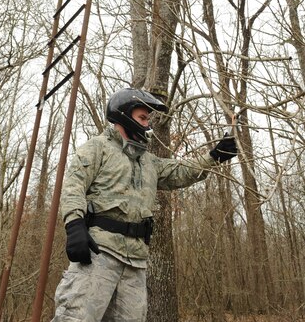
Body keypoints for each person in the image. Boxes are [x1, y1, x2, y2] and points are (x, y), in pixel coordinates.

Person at [52, 88, 237, 322]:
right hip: (99, 252)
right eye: (142, 117)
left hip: (136, 261)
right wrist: (74, 224)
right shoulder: (98, 147)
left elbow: (180, 171)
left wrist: (215, 156)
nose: (147, 123)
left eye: (147, 118)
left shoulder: (149, 161)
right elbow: (73, 185)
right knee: (75, 318)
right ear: (123, 115)